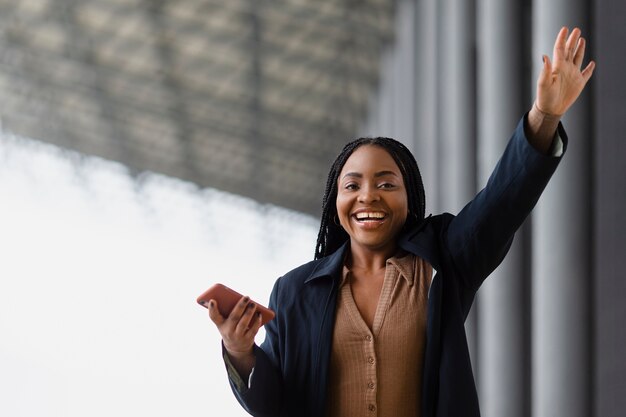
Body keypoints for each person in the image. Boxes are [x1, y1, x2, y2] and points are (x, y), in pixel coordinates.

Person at [206, 27, 595, 417]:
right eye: (352, 185)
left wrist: (545, 115)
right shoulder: (294, 292)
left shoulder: (442, 261)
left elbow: (501, 203)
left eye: (386, 183)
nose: (368, 196)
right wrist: (241, 351)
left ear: (410, 200)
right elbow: (275, 405)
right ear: (335, 201)